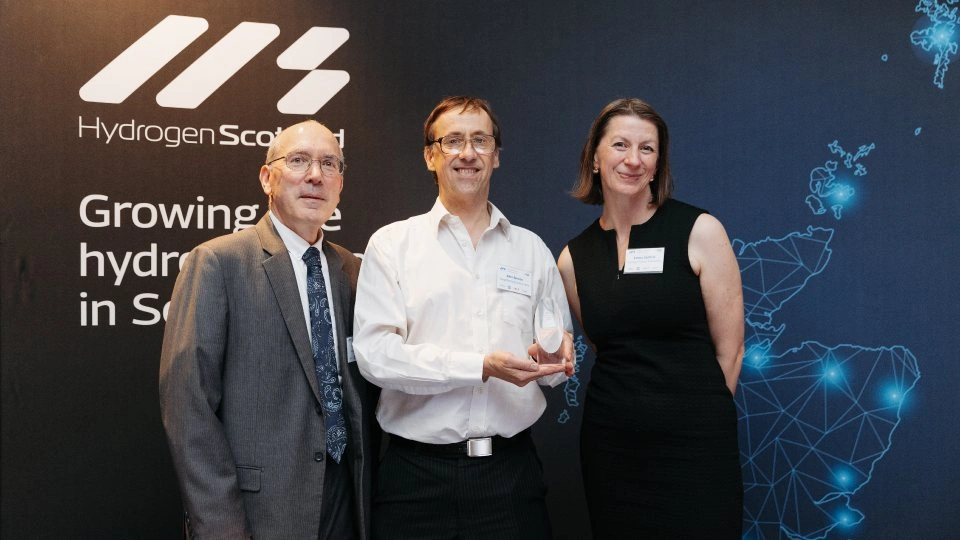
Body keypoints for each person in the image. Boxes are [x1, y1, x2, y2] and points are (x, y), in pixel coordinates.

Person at [353, 96, 574, 540]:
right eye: (452, 141)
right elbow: (376, 357)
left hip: (510, 476)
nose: (467, 153)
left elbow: (553, 368)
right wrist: (479, 367)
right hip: (415, 477)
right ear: (430, 156)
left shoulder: (531, 250)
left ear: (496, 157)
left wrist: (554, 357)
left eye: (480, 140)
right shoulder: (392, 245)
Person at [159, 120, 378, 539]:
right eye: (299, 161)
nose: (315, 175)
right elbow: (188, 405)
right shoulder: (218, 263)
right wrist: (221, 528)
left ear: (340, 185)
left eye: (329, 164)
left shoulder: (352, 269)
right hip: (258, 512)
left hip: (346, 504)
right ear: (267, 178)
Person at [558, 98, 745, 538]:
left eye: (648, 149)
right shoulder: (572, 258)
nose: (633, 159)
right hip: (613, 449)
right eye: (620, 145)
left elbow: (731, 350)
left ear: (659, 163)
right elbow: (607, 345)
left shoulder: (700, 231)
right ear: (595, 158)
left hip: (696, 449)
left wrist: (694, 420)